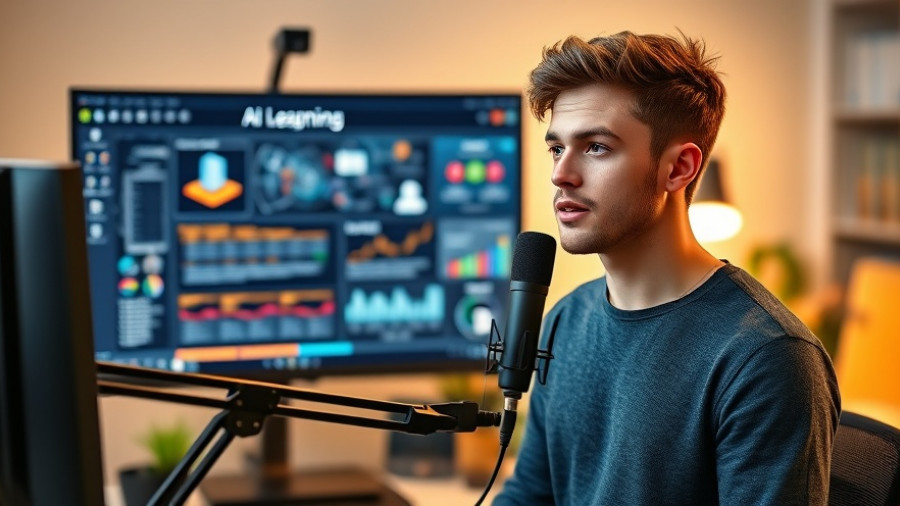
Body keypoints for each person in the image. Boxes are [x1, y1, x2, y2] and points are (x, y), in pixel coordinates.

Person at [492, 31, 840, 505]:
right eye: (557, 149)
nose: (561, 174)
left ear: (678, 168)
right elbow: (530, 495)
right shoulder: (564, 322)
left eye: (595, 147)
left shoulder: (766, 357)